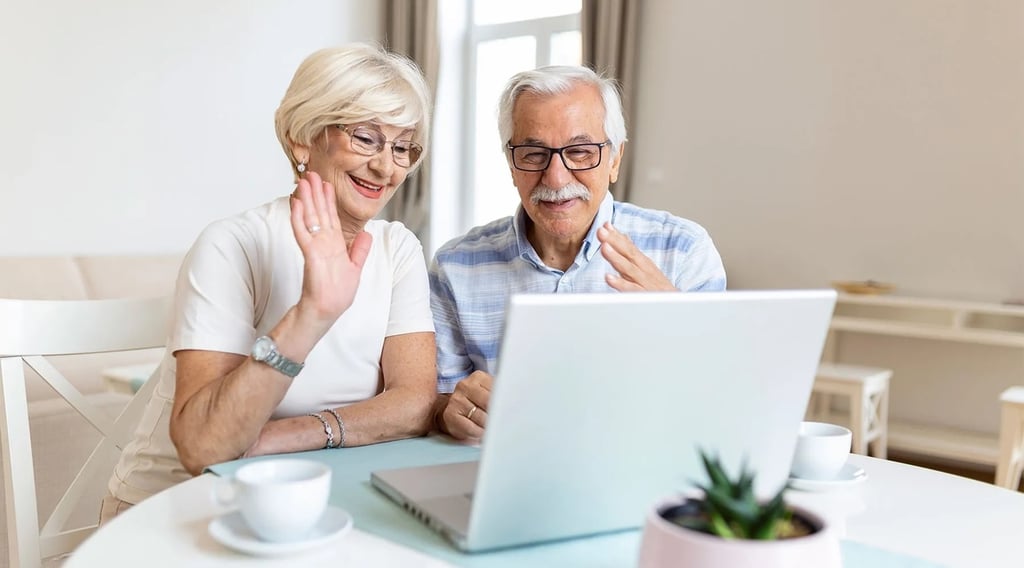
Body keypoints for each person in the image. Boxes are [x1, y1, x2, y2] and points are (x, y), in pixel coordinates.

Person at [102, 44, 437, 521]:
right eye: (366, 138)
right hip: (174, 509)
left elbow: (414, 403)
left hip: (307, 501)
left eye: (402, 147)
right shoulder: (231, 244)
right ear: (304, 139)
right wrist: (312, 314)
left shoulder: (397, 249)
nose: (387, 167)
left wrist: (293, 433)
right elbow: (204, 449)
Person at [430, 65, 727, 441]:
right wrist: (448, 412)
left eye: (581, 152)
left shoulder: (683, 251)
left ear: (615, 159)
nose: (556, 178)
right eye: (534, 154)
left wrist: (678, 325)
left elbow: (721, 399)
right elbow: (440, 401)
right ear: (510, 164)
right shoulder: (454, 267)